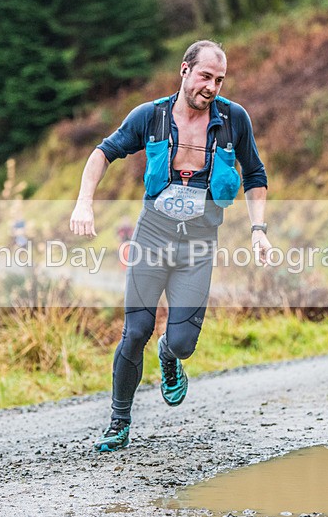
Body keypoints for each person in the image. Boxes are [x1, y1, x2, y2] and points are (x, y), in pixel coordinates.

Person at [70, 40, 271, 452]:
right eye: (204, 76)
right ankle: (119, 422)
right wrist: (83, 202)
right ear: (184, 71)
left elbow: (255, 174)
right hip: (152, 238)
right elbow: (102, 153)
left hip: (198, 245)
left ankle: (168, 354)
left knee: (182, 343)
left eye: (219, 79)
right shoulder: (151, 116)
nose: (211, 86)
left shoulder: (234, 121)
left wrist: (258, 229)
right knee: (135, 330)